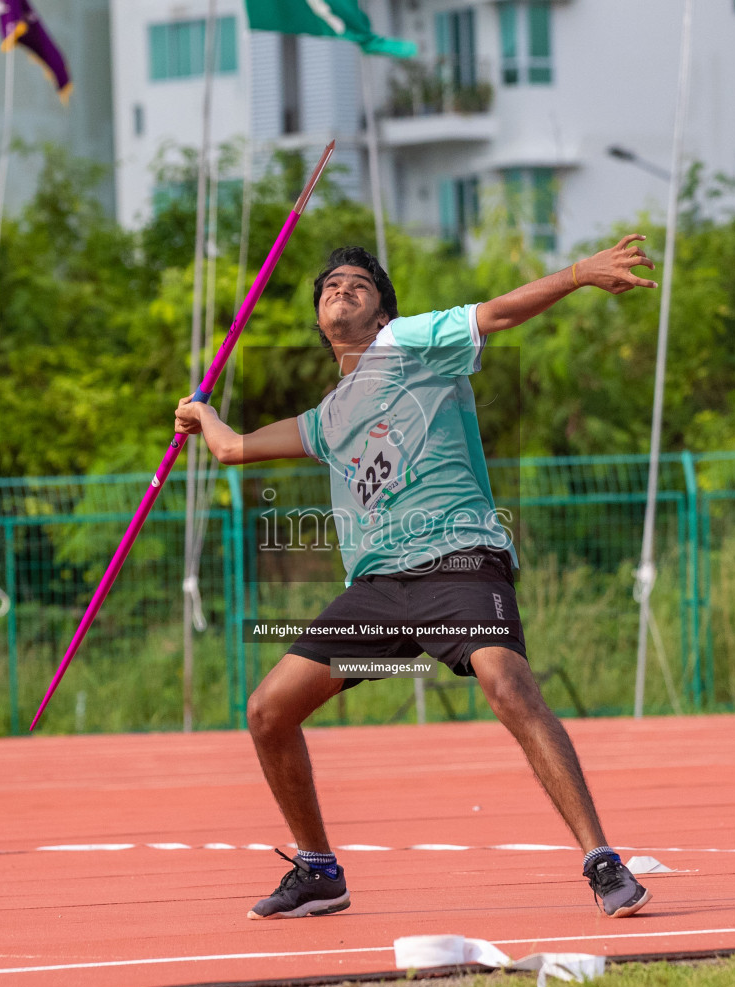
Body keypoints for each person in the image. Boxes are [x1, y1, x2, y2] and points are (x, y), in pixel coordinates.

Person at [173, 236, 657, 920]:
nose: (342, 288)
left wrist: (580, 274)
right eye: (330, 285)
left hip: (458, 559)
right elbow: (230, 450)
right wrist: (203, 416)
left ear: (379, 313)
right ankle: (318, 870)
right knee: (268, 712)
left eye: (358, 284)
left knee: (506, 682)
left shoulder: (411, 342)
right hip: (379, 587)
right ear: (319, 318)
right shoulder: (325, 419)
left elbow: (496, 316)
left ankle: (601, 860)